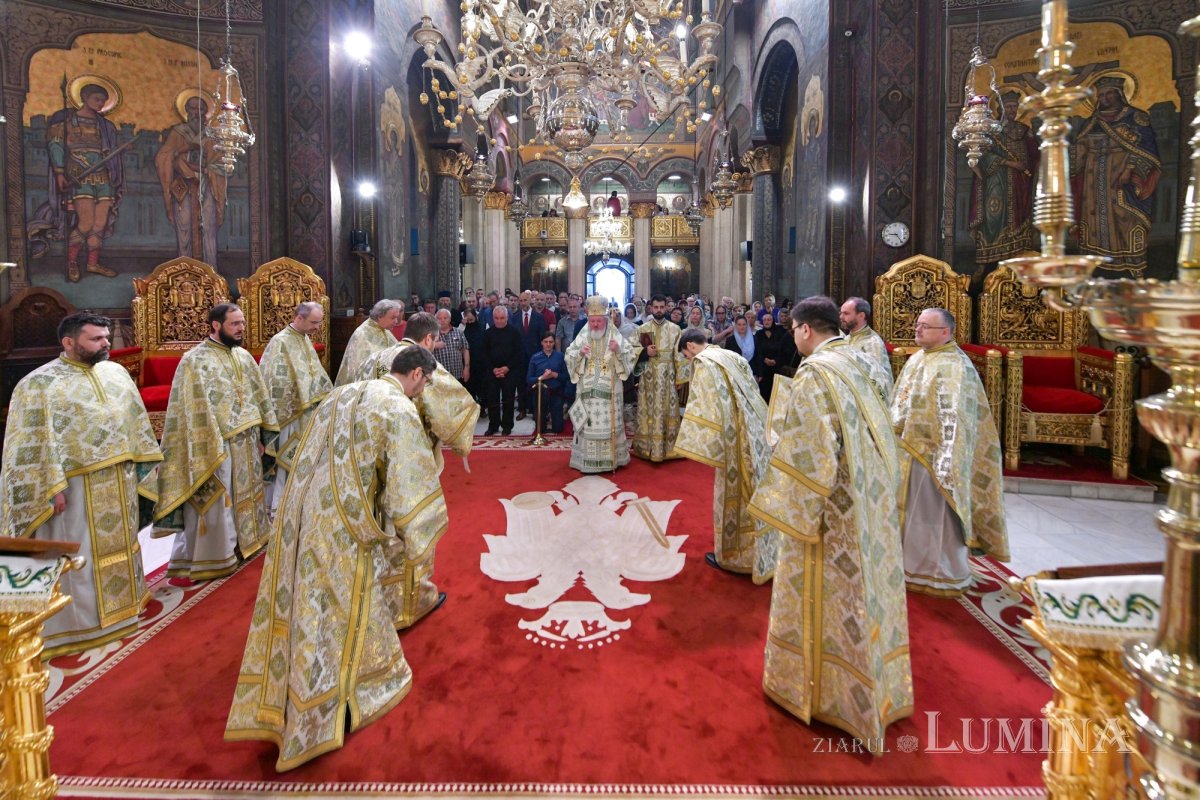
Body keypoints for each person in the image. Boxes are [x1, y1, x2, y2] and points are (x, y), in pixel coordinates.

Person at [225, 346, 446, 772]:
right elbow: (411, 487)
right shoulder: (397, 408)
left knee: (301, 598)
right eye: (426, 383)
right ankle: (330, 703)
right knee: (337, 604)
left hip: (300, 511)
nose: (423, 391)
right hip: (344, 523)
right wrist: (417, 536)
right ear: (416, 374)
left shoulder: (342, 394)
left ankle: (287, 701)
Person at [748, 296, 913, 744]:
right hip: (866, 493)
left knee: (829, 592)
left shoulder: (817, 373)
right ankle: (869, 686)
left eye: (793, 332)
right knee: (862, 592)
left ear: (804, 330)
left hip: (831, 507)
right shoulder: (857, 360)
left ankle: (822, 691)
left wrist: (782, 500)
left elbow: (809, 451)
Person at [0, 311, 161, 658]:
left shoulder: (116, 372)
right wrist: (49, 487)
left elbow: (134, 420)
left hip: (117, 476)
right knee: (80, 553)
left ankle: (124, 607)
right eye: (96, 339)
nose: (106, 344)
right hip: (73, 486)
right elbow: (28, 444)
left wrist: (140, 462)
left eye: (105, 338)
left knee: (121, 544)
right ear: (69, 342)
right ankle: (77, 624)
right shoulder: (38, 384)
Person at [356, 312, 478, 628]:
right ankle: (411, 601)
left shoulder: (374, 358)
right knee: (412, 522)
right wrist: (461, 440)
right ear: (427, 339)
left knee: (380, 523)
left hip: (368, 455)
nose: (436, 346)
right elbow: (453, 409)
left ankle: (377, 597)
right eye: (436, 340)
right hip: (407, 455)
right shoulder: (421, 363)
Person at [148, 304, 278, 581]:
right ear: (216, 325)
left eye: (242, 323)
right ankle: (218, 553)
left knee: (248, 494)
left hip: (247, 439)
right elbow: (190, 409)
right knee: (222, 499)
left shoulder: (243, 356)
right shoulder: (194, 361)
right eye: (235, 324)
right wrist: (211, 443)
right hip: (217, 444)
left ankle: (247, 543)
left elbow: (258, 396)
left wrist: (263, 433)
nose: (241, 328)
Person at [891, 308, 1010, 596]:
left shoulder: (957, 367)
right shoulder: (918, 358)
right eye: (917, 324)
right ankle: (908, 566)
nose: (918, 330)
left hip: (937, 459)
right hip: (909, 451)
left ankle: (940, 573)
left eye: (926, 326)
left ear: (946, 332)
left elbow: (957, 421)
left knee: (936, 517)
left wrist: (946, 459)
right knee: (913, 516)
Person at [672, 329, 774, 578]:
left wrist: (702, 444)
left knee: (733, 493)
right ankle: (762, 552)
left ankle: (735, 556)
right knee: (756, 488)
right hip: (755, 430)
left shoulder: (704, 363)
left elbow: (706, 405)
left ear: (691, 347)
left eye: (686, 355)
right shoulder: (732, 356)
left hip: (733, 439)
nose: (688, 360)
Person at [31, 83, 123, 281]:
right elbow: (56, 146)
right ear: (84, 97)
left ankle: (92, 263)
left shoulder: (105, 126)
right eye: (96, 99)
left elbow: (111, 152)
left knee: (99, 224)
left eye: (103, 101)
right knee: (86, 222)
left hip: (103, 177)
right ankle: (71, 261)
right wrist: (59, 173)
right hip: (80, 177)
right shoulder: (66, 122)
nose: (100, 104)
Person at [1072, 75, 1161, 275]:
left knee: (1125, 218)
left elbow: (1148, 151)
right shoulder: (1091, 122)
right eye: (1100, 95)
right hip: (1093, 179)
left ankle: (1132, 264)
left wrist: (1130, 168)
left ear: (1119, 93)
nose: (1104, 98)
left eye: (1108, 93)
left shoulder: (1136, 118)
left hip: (1121, 177)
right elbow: (1080, 147)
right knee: (1094, 218)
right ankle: (1096, 263)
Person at [259, 301, 332, 513]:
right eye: (313, 322)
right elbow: (274, 380)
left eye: (319, 322)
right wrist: (297, 399)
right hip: (289, 414)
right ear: (299, 318)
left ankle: (302, 503)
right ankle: (282, 507)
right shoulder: (280, 342)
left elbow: (313, 373)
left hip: (306, 412)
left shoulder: (305, 338)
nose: (317, 327)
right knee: (287, 460)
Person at [565, 295, 639, 473]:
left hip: (610, 386)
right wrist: (580, 354)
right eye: (592, 321)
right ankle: (586, 460)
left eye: (599, 321)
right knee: (588, 424)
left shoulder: (615, 334)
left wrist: (618, 350)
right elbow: (569, 354)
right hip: (587, 387)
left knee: (608, 425)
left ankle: (613, 458)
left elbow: (630, 356)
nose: (596, 325)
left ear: (605, 319)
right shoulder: (583, 334)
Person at [154, 94, 227, 266]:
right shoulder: (178, 133)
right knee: (184, 226)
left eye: (201, 109)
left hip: (207, 186)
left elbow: (220, 163)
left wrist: (203, 168)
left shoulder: (211, 136)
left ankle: (210, 270)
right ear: (186, 110)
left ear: (206, 112)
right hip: (183, 186)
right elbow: (162, 157)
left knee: (208, 227)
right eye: (193, 109)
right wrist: (178, 154)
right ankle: (185, 268)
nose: (197, 113)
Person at [969, 90, 1037, 269]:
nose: (1012, 110)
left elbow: (1034, 155)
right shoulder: (992, 131)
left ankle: (1017, 261)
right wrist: (1008, 163)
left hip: (1020, 182)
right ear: (1001, 108)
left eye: (1015, 106)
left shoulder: (1024, 131)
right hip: (996, 180)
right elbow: (982, 156)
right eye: (1008, 106)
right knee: (994, 217)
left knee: (1019, 215)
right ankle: (989, 263)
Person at [633, 295, 689, 462]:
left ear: (666, 308)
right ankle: (646, 447)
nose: (658, 310)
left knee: (667, 410)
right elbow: (632, 350)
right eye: (655, 307)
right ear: (651, 308)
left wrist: (680, 379)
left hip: (668, 376)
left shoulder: (675, 329)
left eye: (661, 307)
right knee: (648, 410)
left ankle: (668, 449)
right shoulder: (642, 329)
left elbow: (680, 355)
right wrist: (644, 352)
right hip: (648, 376)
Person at [335, 299, 401, 386]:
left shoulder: (384, 330)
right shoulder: (362, 334)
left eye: (397, 317)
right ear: (380, 316)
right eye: (393, 318)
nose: (396, 321)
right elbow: (361, 369)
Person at [839, 296, 893, 402]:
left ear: (861, 316)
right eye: (841, 313)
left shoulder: (873, 343)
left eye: (846, 313)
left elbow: (878, 379)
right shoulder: (847, 338)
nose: (841, 317)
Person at [483, 305, 524, 436]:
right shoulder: (487, 334)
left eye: (502, 318)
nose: (499, 321)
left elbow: (519, 353)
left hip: (510, 371)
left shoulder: (515, 332)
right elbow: (483, 354)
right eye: (496, 318)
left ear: (507, 317)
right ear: (492, 318)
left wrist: (507, 368)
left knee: (508, 399)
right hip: (492, 371)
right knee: (492, 400)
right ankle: (493, 425)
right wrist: (493, 369)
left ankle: (507, 426)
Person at [514, 291, 547, 420]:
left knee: (535, 383)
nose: (523, 303)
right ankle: (522, 409)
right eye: (520, 301)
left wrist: (541, 356)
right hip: (520, 357)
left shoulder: (539, 317)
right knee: (521, 383)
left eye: (525, 300)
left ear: (530, 300)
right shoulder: (515, 317)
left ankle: (534, 409)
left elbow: (542, 338)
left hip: (535, 357)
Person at [527, 331, 568, 434]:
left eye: (551, 342)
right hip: (540, 392)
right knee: (540, 429)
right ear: (542, 343)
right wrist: (542, 377)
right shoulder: (535, 358)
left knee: (558, 428)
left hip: (556, 392)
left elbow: (566, 377)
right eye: (546, 342)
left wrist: (555, 375)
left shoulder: (560, 356)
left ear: (554, 343)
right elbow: (529, 379)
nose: (548, 344)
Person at [752, 311, 795, 403]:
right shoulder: (758, 334)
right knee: (764, 394)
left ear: (773, 321)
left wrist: (775, 360)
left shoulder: (780, 334)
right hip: (763, 368)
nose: (767, 322)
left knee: (775, 393)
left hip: (777, 367)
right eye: (765, 320)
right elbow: (757, 350)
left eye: (769, 319)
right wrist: (765, 359)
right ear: (762, 322)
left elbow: (782, 350)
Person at [433, 308, 470, 387]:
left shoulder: (458, 332)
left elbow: (465, 349)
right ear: (435, 320)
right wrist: (434, 344)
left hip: (458, 374)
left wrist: (466, 368)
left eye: (445, 318)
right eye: (439, 318)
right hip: (440, 378)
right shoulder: (432, 335)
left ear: (450, 319)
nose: (442, 320)